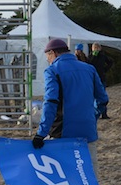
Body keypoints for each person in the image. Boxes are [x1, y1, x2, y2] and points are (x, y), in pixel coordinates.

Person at [31, 38, 109, 170]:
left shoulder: (52, 70)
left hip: (63, 131)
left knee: (64, 174)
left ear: (52, 53)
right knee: (89, 174)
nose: (48, 60)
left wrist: (41, 133)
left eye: (47, 56)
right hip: (87, 130)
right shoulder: (89, 69)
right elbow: (103, 99)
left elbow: (51, 102)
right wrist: (93, 116)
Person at [88, 42, 113, 119]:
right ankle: (93, 112)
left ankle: (104, 113)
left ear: (100, 48)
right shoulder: (90, 56)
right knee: (92, 96)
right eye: (94, 48)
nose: (96, 49)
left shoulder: (103, 56)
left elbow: (110, 62)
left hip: (101, 78)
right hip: (93, 78)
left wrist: (105, 69)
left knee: (102, 96)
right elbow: (90, 64)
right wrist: (94, 55)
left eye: (97, 48)